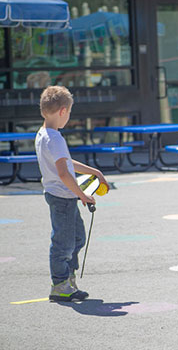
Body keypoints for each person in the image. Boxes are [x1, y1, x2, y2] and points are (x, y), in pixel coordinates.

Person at [35, 85, 109, 301]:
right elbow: (64, 174)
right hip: (62, 197)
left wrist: (93, 171)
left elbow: (66, 163)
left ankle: (68, 279)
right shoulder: (55, 138)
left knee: (77, 237)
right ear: (63, 112)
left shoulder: (44, 134)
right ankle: (60, 285)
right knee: (63, 243)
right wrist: (82, 194)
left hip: (61, 195)